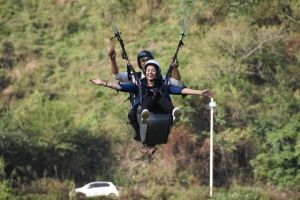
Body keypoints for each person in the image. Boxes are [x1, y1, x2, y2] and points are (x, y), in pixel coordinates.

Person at [90, 59, 213, 143]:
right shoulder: (139, 85)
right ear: (145, 72)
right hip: (146, 109)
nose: (150, 72)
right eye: (148, 70)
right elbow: (121, 87)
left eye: (153, 70)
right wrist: (103, 83)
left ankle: (174, 114)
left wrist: (200, 92)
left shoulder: (163, 85)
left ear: (157, 73)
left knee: (159, 94)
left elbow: (181, 90)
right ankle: (144, 115)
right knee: (148, 93)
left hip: (161, 109)